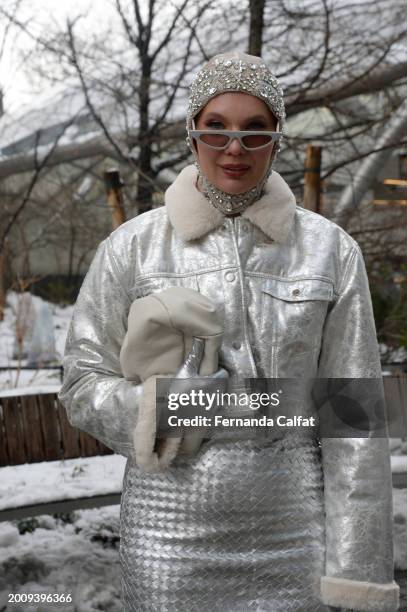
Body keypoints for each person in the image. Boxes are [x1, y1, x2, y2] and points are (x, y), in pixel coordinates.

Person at [59, 52, 399, 611]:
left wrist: (357, 569)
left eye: (254, 130)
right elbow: (81, 384)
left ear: (277, 140)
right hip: (167, 527)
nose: (234, 147)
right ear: (192, 135)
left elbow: (353, 416)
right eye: (216, 128)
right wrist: (162, 407)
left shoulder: (330, 251)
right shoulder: (132, 247)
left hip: (294, 525)